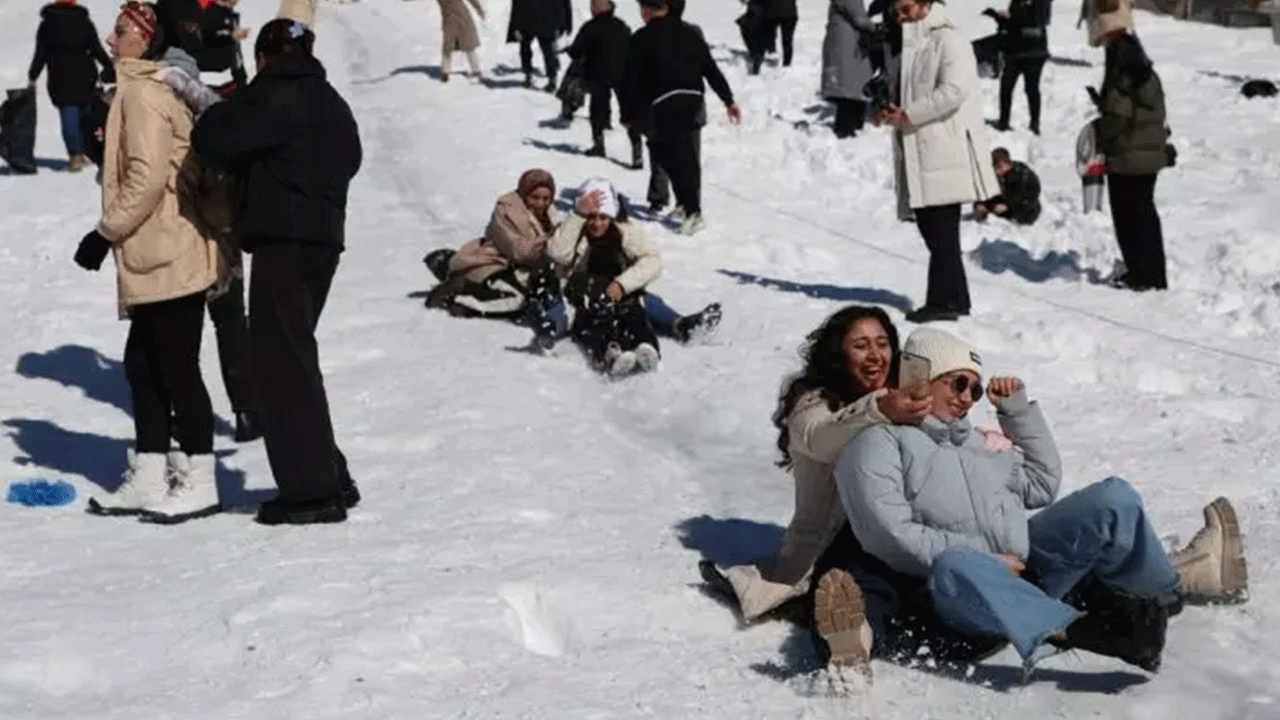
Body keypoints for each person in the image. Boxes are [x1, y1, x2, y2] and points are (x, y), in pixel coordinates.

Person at [819, 327, 1249, 674]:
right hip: (955, 598)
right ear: (918, 376)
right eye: (959, 383)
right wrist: (985, 560)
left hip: (1028, 569)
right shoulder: (876, 444)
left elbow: (1042, 486)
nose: (968, 397)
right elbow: (889, 536)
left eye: (975, 388)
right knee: (958, 562)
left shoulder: (976, 442)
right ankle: (1091, 631)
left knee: (1113, 498)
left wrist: (1017, 412)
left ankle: (1166, 590)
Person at [192, 18, 363, 525]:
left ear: (265, 55)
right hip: (324, 241)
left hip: (282, 242)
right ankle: (329, 474)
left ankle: (312, 493)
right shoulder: (330, 100)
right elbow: (351, 158)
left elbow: (212, 137)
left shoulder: (273, 95)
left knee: (281, 363)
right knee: (295, 355)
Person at [77, 1, 222, 523]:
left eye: (122, 31)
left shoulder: (141, 92)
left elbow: (146, 177)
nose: (112, 40)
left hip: (169, 248)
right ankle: (151, 472)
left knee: (176, 368)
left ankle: (202, 479)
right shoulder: (137, 89)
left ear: (146, 39)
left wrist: (102, 234)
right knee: (144, 365)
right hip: (158, 249)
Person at [700, 306, 930, 623]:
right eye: (861, 346)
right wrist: (880, 409)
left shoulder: (900, 399)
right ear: (839, 355)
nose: (875, 355)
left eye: (882, 343)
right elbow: (822, 439)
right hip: (829, 550)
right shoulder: (812, 403)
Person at [875, 0, 999, 323]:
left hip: (945, 149)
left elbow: (954, 90)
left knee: (940, 231)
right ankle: (955, 298)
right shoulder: (914, 42)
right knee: (937, 230)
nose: (900, 17)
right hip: (924, 147)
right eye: (896, 12)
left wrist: (909, 114)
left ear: (926, 3)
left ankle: (943, 302)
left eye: (905, 8)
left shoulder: (948, 39)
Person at [621, 0, 742, 236]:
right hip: (693, 98)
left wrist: (628, 114)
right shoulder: (690, 33)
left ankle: (693, 212)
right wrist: (728, 100)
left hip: (666, 100)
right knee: (675, 151)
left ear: (647, 10)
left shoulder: (642, 37)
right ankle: (683, 203)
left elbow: (629, 80)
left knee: (673, 154)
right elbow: (710, 68)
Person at [424, 169, 569, 341]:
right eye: (535, 197)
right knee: (513, 299)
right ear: (524, 194)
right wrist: (551, 241)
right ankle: (459, 295)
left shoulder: (550, 213)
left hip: (531, 269)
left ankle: (550, 315)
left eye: (546, 198)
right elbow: (518, 251)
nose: (541, 203)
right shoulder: (507, 210)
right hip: (499, 262)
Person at [548, 178, 663, 375]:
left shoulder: (625, 231)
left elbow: (653, 260)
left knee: (635, 317)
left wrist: (623, 283)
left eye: (603, 218)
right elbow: (557, 253)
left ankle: (645, 347)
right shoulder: (574, 230)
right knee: (597, 326)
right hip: (586, 299)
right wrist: (577, 215)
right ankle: (610, 356)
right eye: (591, 217)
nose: (597, 224)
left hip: (621, 296)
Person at [1093, 31, 1169, 292]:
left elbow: (1117, 120)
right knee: (1146, 217)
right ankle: (1155, 274)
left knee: (1127, 219)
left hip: (1126, 159)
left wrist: (1099, 129)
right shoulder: (1150, 77)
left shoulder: (1121, 80)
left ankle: (1138, 273)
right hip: (1150, 158)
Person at [27, 0, 114, 172]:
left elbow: (40, 53)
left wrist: (33, 75)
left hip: (59, 77)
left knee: (69, 115)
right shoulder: (83, 22)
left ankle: (75, 155)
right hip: (85, 75)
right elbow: (96, 48)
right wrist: (109, 66)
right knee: (85, 115)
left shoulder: (48, 24)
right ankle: (86, 151)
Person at [567, 0, 641, 167]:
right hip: (624, 75)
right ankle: (637, 153)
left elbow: (575, 51)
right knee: (629, 113)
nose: (591, 8)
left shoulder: (590, 27)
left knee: (597, 109)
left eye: (593, 5)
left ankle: (599, 145)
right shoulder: (622, 26)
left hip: (598, 75)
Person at [989, 0, 1050, 135]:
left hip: (1020, 50)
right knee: (1030, 88)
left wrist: (1005, 18)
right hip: (1035, 50)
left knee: (1009, 86)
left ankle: (1005, 121)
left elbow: (1023, 19)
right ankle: (1033, 123)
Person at [821, 0, 877, 139]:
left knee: (851, 87)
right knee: (850, 88)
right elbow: (859, 19)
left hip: (845, 41)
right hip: (848, 45)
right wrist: (875, 27)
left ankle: (850, 128)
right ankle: (846, 130)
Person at [507, 0, 572, 91]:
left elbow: (517, 4)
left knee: (526, 48)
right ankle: (552, 79)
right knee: (548, 49)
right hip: (546, 19)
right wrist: (567, 23)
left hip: (527, 18)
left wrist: (515, 25)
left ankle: (528, 75)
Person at [974, 147, 1041, 225]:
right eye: (995, 168)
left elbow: (1028, 199)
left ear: (1008, 163)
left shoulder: (1023, 175)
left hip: (1025, 212)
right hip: (1004, 206)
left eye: (999, 167)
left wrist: (1008, 207)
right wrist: (982, 205)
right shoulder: (997, 175)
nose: (997, 171)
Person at [199, 0, 250, 91]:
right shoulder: (213, 11)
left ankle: (241, 83)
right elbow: (208, 35)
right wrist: (231, 35)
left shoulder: (230, 15)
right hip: (209, 66)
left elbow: (236, 49)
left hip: (229, 73)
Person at [437, 0, 486, 83]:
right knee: (448, 46)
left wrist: (479, 9)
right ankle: (445, 71)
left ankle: (476, 70)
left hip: (462, 18)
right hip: (451, 19)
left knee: (468, 44)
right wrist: (479, 10)